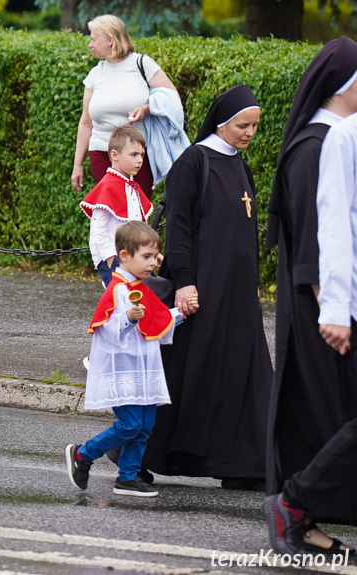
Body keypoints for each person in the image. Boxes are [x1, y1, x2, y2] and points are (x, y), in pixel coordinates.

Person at [142, 84, 272, 489]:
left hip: (238, 292)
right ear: (222, 122)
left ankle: (245, 464)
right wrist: (184, 283)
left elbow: (246, 230)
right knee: (188, 373)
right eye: (242, 126)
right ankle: (141, 451)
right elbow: (179, 227)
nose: (249, 133)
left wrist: (251, 283)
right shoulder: (194, 161)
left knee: (244, 373)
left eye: (254, 126)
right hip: (203, 288)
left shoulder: (240, 165)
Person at [266, 37, 357, 552]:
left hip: (329, 305)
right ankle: (295, 511)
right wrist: (332, 308)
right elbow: (314, 238)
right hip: (321, 307)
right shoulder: (316, 147)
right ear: (345, 85)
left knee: (323, 421)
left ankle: (301, 516)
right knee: (321, 419)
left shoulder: (334, 139)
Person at [67, 221, 183, 497]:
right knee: (130, 424)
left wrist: (180, 313)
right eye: (146, 256)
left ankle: (127, 477)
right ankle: (83, 454)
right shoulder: (118, 288)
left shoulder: (140, 285)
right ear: (124, 256)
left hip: (143, 367)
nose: (153, 262)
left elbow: (157, 320)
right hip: (123, 369)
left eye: (155, 256)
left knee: (144, 426)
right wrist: (128, 318)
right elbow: (105, 328)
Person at [71, 14, 180, 200]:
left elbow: (173, 98)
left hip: (136, 154)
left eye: (93, 39)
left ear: (110, 40)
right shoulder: (95, 74)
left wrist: (146, 109)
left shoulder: (142, 64)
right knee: (112, 211)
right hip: (101, 153)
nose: (90, 44)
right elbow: (86, 123)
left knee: (137, 215)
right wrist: (77, 165)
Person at [80, 125, 153, 288]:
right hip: (114, 260)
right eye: (133, 154)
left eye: (141, 154)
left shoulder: (132, 186)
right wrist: (111, 260)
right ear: (115, 155)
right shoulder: (106, 186)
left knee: (140, 302)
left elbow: (139, 227)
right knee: (120, 303)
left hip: (133, 258)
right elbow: (98, 230)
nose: (140, 160)